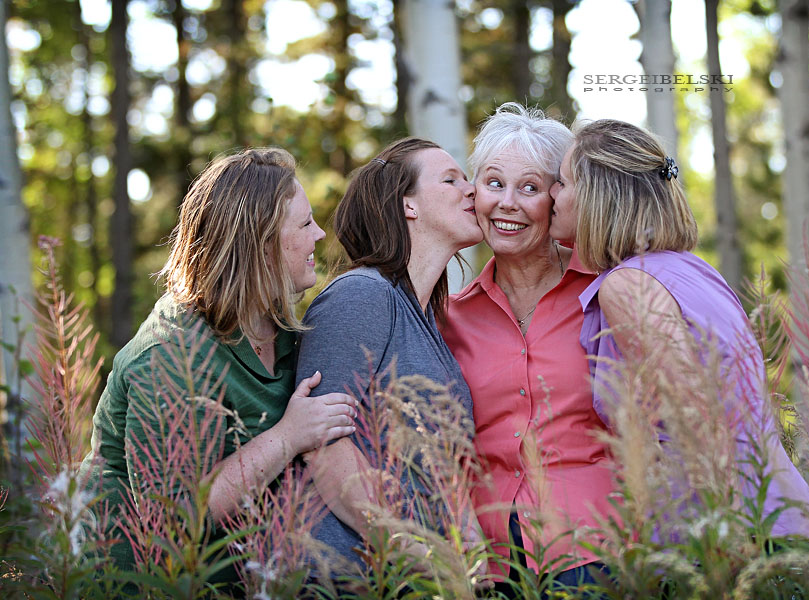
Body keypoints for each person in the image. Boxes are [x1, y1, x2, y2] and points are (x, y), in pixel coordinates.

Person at [78, 148, 359, 579]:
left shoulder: (281, 328)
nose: (320, 235)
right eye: (304, 224)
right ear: (259, 245)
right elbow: (172, 519)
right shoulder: (170, 357)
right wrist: (289, 435)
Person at [548, 118, 809, 538]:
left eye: (562, 183)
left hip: (732, 529)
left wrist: (725, 550)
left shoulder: (628, 285)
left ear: (595, 196)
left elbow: (697, 419)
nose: (552, 196)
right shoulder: (692, 269)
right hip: (777, 510)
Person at [441, 103, 617, 585]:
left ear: (558, 198)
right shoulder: (450, 315)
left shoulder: (606, 292)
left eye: (530, 188)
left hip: (597, 546)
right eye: (495, 183)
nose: (507, 204)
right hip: (487, 559)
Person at [295, 138, 485, 570]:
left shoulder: (427, 320)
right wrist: (410, 549)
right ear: (408, 206)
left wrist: (473, 556)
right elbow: (323, 443)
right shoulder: (360, 296)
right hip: (352, 574)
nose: (472, 189)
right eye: (451, 179)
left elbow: (441, 463)